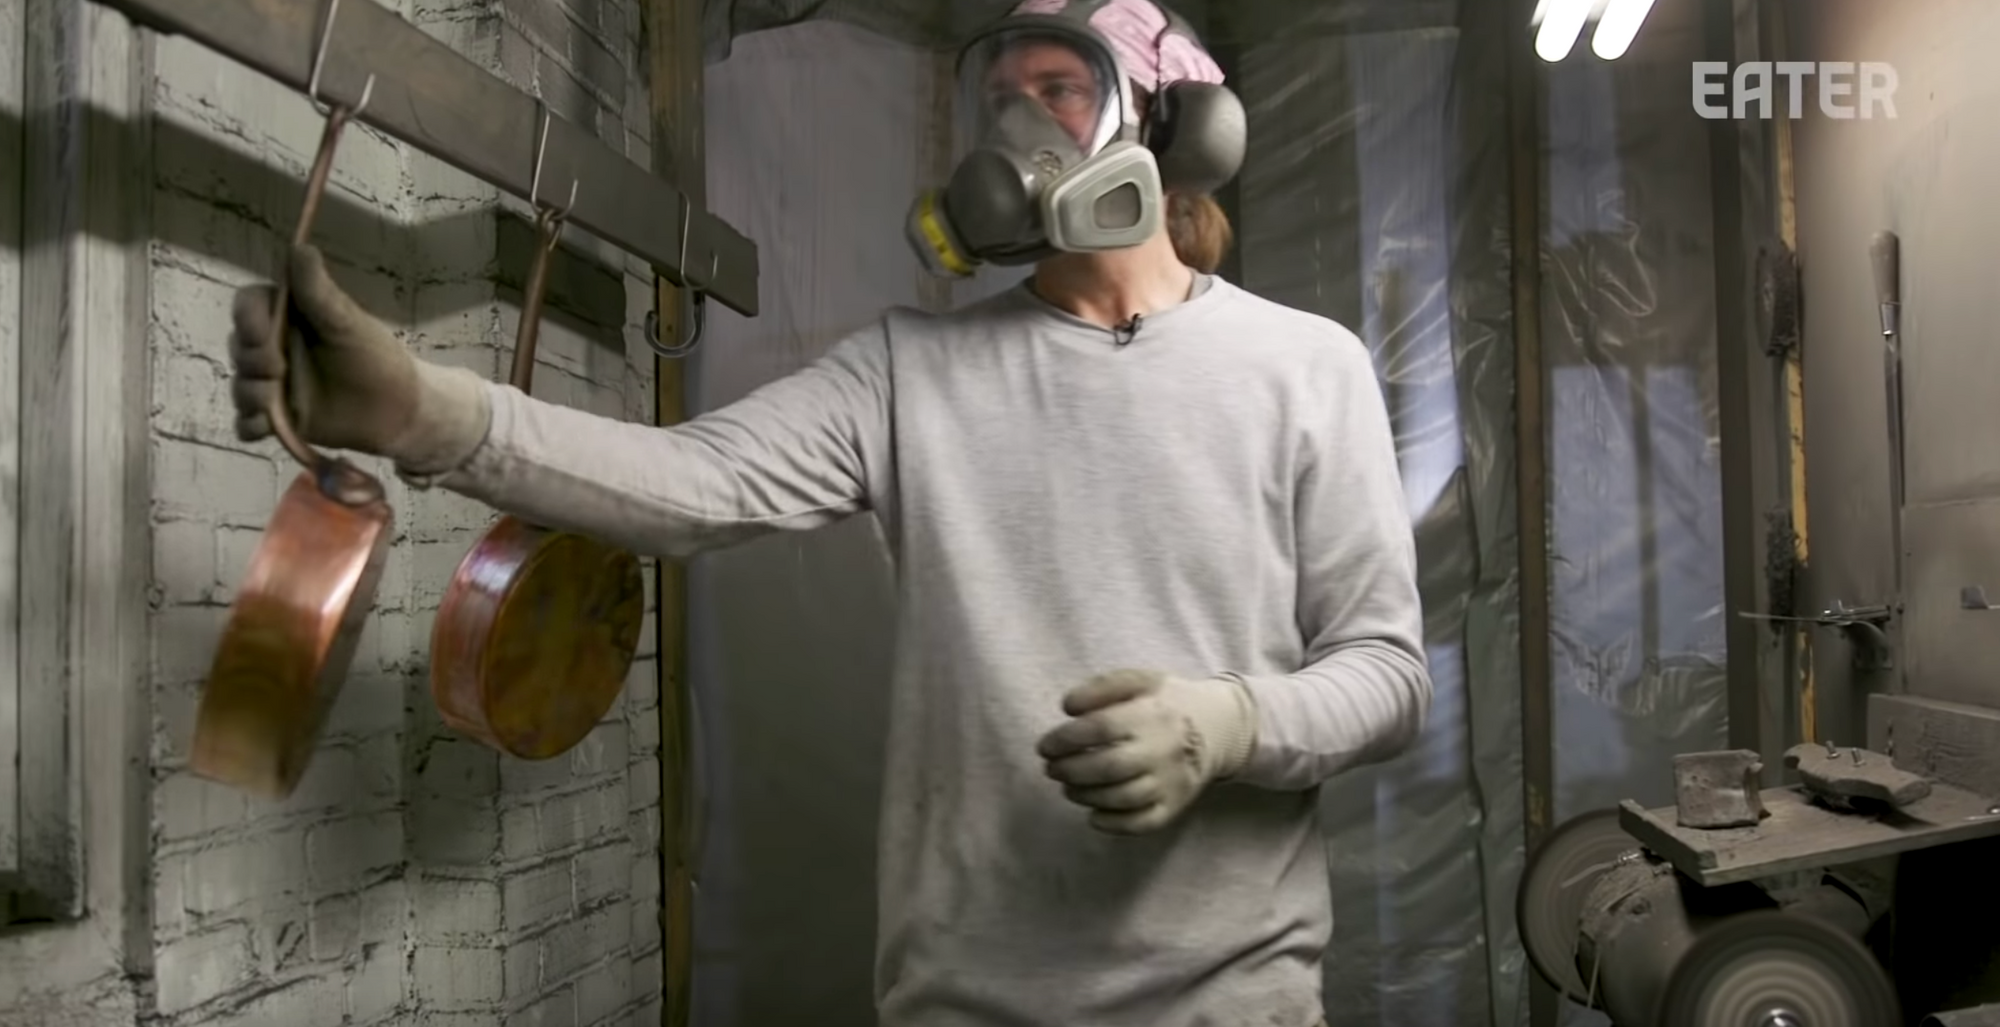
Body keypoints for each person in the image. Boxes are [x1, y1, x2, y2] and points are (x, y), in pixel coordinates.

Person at [225, 1, 1431, 1023]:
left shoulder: (1304, 367)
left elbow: (1385, 673)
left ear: (1169, 127)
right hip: (967, 1001)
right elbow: (689, 483)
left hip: (1233, 1001)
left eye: (1058, 90)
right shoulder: (911, 368)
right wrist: (414, 410)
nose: (1014, 126)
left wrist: (1227, 724)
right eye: (997, 97)